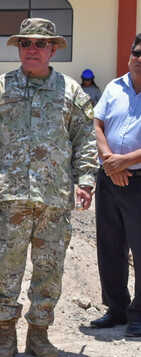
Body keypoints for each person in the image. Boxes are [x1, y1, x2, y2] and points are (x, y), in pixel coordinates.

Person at [0, 18, 98, 357]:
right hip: (12, 197)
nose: (33, 49)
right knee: (7, 268)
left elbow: (85, 138)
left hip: (55, 198)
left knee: (49, 269)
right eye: (26, 44)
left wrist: (85, 180)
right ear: (19, 49)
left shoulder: (71, 91)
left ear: (53, 48)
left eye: (41, 44)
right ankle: (4, 337)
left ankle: (39, 335)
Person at [89, 33, 141, 337]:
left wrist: (125, 161)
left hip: (138, 180)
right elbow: (98, 123)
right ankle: (116, 308)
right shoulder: (114, 87)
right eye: (136, 52)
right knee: (110, 247)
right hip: (109, 178)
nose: (139, 59)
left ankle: (140, 314)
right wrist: (110, 161)